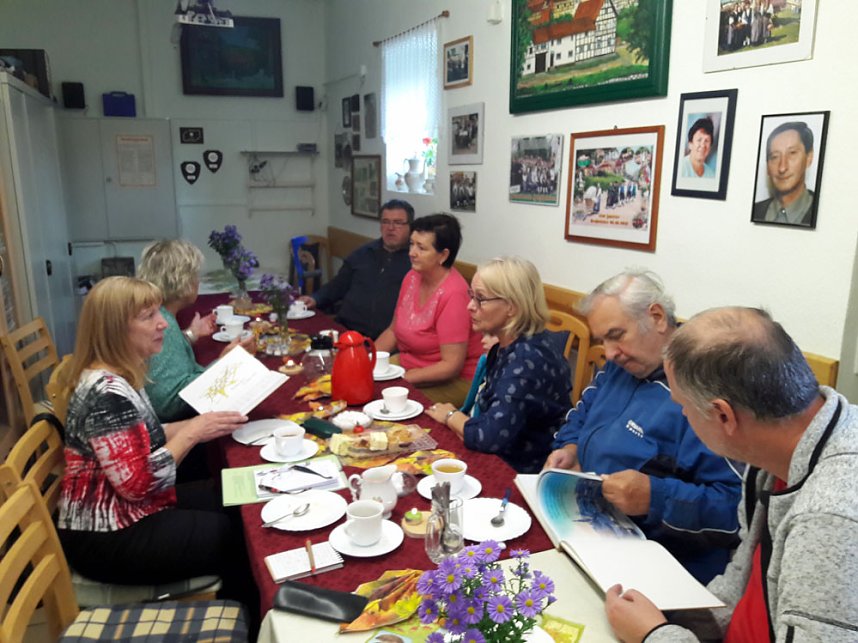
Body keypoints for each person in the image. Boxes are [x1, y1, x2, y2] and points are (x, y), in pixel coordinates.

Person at [606, 307, 858, 642]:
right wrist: (682, 621)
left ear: (724, 415)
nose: (681, 413)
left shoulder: (830, 515)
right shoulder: (778, 452)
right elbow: (743, 577)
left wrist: (655, 634)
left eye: (683, 405)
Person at [55, 277, 257, 613]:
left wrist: (202, 425)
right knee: (231, 534)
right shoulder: (106, 393)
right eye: (148, 316)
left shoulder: (119, 373)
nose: (163, 322)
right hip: (107, 533)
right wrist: (193, 432)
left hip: (121, 512)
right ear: (116, 329)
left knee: (235, 494)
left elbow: (144, 434)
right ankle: (239, 621)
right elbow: (138, 484)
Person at [544, 270, 742, 584]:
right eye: (603, 341)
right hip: (590, 530)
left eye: (616, 335)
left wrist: (655, 497)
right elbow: (582, 411)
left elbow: (736, 511)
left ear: (657, 317)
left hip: (661, 565)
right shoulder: (620, 366)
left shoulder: (704, 392)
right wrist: (569, 446)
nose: (608, 353)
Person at [425, 257, 572, 473]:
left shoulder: (526, 361)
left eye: (480, 299)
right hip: (503, 456)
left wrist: (450, 415)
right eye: (471, 296)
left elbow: (487, 437)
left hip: (521, 473)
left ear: (511, 307)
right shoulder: (511, 344)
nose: (470, 306)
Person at [138, 239, 254, 422]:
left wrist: (191, 334)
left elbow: (165, 359)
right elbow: (168, 405)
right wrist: (224, 363)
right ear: (182, 281)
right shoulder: (162, 324)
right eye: (195, 275)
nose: (197, 281)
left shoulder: (160, 315)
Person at [375, 213, 482, 407]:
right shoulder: (412, 277)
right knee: (365, 385)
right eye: (411, 244)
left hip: (455, 380)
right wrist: (368, 360)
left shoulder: (454, 294)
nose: (412, 252)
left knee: (389, 403)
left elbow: (451, 366)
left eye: (421, 247)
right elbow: (392, 331)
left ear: (443, 255)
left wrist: (404, 379)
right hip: (410, 365)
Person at [298, 199, 413, 339]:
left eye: (398, 223)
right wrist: (315, 298)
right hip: (347, 329)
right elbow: (338, 285)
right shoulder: (363, 253)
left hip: (387, 338)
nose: (390, 228)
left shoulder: (416, 260)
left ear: (410, 226)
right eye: (385, 222)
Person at [752, 121, 816, 226]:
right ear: (768, 166)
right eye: (775, 157)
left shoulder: (824, 213)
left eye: (792, 153)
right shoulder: (755, 211)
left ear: (809, 157)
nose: (782, 168)